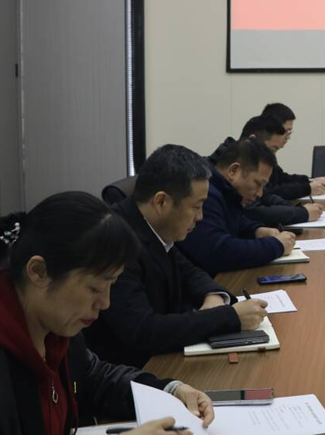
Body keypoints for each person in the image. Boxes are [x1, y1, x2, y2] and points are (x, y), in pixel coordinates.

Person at [0, 192, 214, 435]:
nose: (105, 302)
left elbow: (94, 376)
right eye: (94, 288)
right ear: (38, 272)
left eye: (111, 285)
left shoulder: (50, 322)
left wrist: (170, 390)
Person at [85, 144, 269, 368]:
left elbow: (187, 270)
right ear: (161, 202)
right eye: (197, 207)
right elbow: (143, 331)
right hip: (132, 370)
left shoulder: (150, 225)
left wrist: (214, 295)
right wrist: (229, 317)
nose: (200, 217)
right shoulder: (117, 241)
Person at [178, 139, 296, 276]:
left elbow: (235, 221)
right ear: (234, 171)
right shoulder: (206, 195)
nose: (260, 193)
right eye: (258, 184)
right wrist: (276, 245)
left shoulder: (226, 192)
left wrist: (257, 230)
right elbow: (219, 253)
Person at [208, 115, 323, 226]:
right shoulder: (211, 186)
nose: (270, 155)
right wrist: (301, 212)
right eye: (272, 149)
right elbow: (251, 212)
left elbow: (268, 193)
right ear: (253, 140)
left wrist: (257, 230)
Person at [257, 106, 325, 200]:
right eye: (286, 132)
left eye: (289, 132)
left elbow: (282, 178)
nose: (288, 137)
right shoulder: (253, 155)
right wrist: (307, 189)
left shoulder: (267, 152)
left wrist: (310, 181)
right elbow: (267, 192)